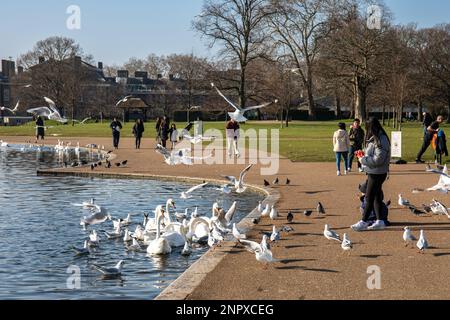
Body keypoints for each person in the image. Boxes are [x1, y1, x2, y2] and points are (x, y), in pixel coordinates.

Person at [351, 117, 391, 231]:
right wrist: (362, 154)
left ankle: (364, 221)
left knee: (369, 197)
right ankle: (379, 221)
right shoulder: (375, 138)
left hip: (377, 173)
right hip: (373, 171)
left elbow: (378, 160)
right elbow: (373, 154)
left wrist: (362, 159)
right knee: (376, 197)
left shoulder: (381, 139)